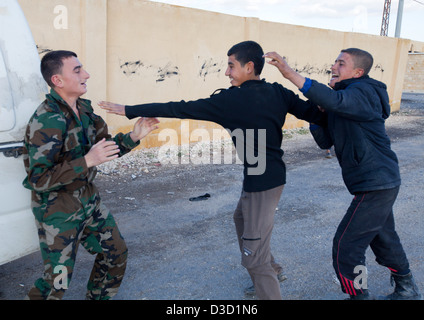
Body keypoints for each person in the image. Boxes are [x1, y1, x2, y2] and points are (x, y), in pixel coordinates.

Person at [99, 40, 326, 300]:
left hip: (262, 184)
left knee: (254, 259)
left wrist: (129, 110)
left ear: (249, 67)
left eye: (231, 66)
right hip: (268, 177)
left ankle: (266, 272)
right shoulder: (278, 92)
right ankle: (272, 267)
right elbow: (317, 114)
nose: (227, 72)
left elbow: (179, 107)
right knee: (241, 219)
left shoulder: (231, 100)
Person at [264, 49, 422, 300]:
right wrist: (318, 113)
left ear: (358, 72)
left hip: (377, 181)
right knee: (383, 238)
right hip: (374, 182)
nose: (333, 66)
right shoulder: (342, 100)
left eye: (341, 63)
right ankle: (407, 288)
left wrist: (289, 73)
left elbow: (338, 102)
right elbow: (325, 141)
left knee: (346, 247)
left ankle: (359, 295)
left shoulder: (365, 92)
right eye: (335, 61)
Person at [22, 50, 159, 300]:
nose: (86, 74)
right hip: (58, 211)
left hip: (88, 200)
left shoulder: (84, 111)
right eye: (77, 70)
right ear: (58, 81)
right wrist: (86, 161)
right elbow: (38, 179)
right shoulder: (46, 120)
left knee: (115, 253)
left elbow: (103, 147)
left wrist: (133, 136)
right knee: (57, 282)